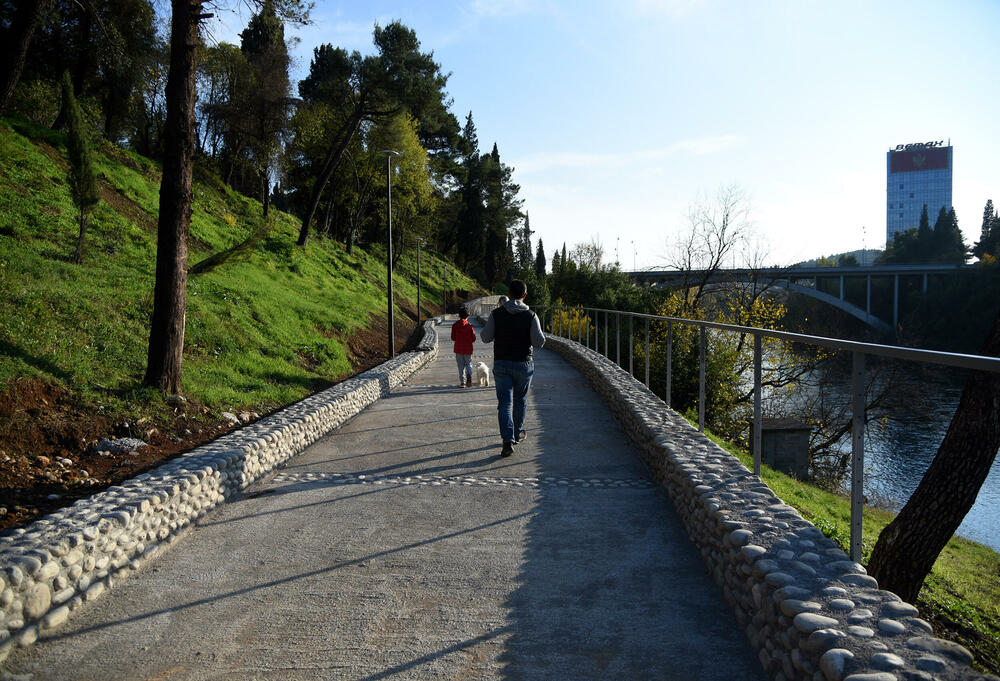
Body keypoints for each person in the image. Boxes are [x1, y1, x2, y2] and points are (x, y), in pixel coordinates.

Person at [480, 280, 545, 456]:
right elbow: (539, 342)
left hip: (502, 362)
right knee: (520, 400)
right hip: (524, 364)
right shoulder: (531, 315)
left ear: (508, 294)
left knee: (505, 403)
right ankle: (516, 433)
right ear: (525, 295)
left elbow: (485, 338)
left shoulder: (496, 314)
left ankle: (507, 441)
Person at [450, 307, 476, 387]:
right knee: (468, 363)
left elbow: (453, 338)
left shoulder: (455, 325)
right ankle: (469, 374)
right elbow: (473, 338)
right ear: (468, 316)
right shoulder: (469, 326)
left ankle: (462, 382)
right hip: (468, 349)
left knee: (460, 366)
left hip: (458, 348)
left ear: (459, 315)